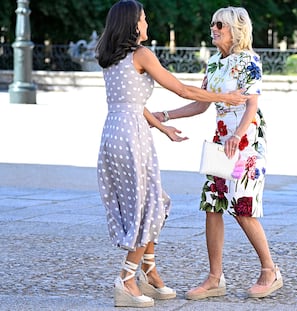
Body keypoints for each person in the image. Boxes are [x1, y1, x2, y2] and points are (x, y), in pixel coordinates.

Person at [95, 1, 249, 308]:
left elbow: (132, 105)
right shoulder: (141, 54)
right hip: (132, 137)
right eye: (143, 19)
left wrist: (163, 127)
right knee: (149, 205)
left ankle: (149, 272)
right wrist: (225, 97)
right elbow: (182, 90)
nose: (147, 24)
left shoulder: (110, 56)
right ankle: (127, 279)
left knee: (152, 199)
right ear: (132, 24)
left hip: (114, 132)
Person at [153, 6, 283, 300]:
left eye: (220, 25)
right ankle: (214, 279)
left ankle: (269, 270)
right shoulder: (213, 63)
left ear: (236, 30)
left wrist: (238, 135)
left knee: (243, 207)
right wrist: (165, 115)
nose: (213, 29)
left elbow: (251, 104)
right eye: (213, 24)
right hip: (220, 140)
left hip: (246, 140)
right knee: (213, 203)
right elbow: (201, 103)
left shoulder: (249, 60)